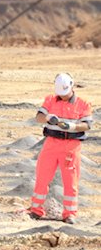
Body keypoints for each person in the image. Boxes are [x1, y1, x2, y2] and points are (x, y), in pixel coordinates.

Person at [28, 73, 92, 224]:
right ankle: (36, 210)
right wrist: (48, 117)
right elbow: (38, 117)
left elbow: (87, 125)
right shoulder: (50, 100)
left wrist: (73, 126)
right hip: (51, 143)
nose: (62, 97)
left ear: (72, 86)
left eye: (65, 93)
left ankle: (70, 214)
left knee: (70, 181)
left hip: (71, 146)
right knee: (42, 177)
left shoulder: (83, 104)